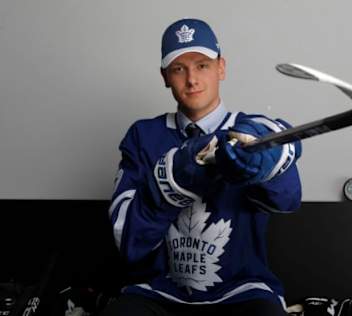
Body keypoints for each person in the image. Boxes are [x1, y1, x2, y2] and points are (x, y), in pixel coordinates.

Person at [102, 18, 302, 316]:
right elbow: (127, 239)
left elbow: (288, 200)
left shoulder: (250, 131)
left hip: (242, 291)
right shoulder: (143, 136)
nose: (192, 79)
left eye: (202, 65)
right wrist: (172, 178)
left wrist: (268, 160)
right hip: (157, 291)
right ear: (165, 76)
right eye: (179, 68)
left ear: (221, 67)